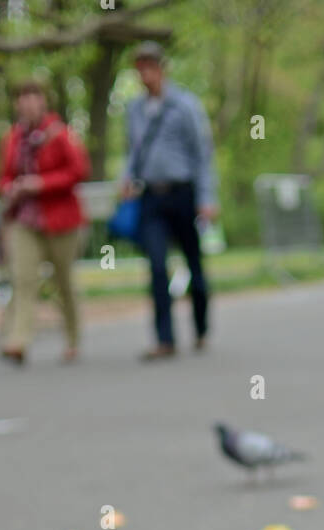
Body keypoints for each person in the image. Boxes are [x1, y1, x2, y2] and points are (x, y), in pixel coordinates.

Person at [120, 41, 218, 361]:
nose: (145, 74)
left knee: (194, 265)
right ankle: (165, 339)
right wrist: (127, 178)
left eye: (150, 67)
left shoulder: (185, 105)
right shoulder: (134, 109)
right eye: (140, 68)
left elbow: (202, 154)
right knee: (157, 266)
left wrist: (206, 198)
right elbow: (132, 150)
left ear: (162, 69)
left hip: (183, 194)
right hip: (151, 196)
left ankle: (201, 327)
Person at [0, 80, 90, 365]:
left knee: (63, 281)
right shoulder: (12, 137)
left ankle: (73, 338)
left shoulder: (60, 133)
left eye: (33, 97)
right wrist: (9, 188)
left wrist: (41, 184)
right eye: (22, 98)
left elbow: (79, 171)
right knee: (23, 280)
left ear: (43, 101)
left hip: (61, 219)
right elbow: (3, 175)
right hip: (24, 220)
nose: (27, 103)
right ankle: (18, 341)